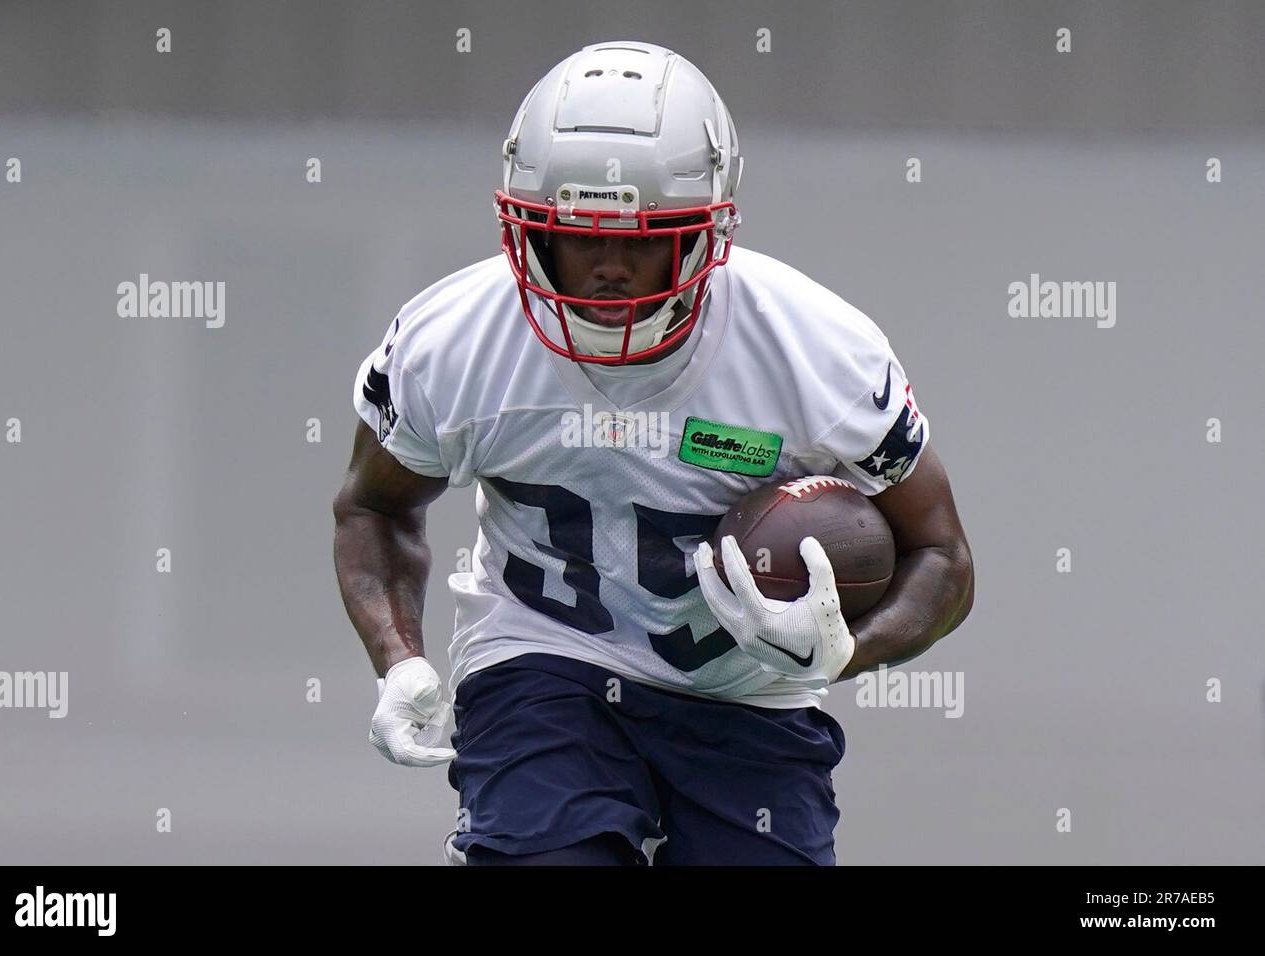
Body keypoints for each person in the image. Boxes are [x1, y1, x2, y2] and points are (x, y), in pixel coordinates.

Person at [333, 40, 974, 865]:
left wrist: (851, 648)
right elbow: (374, 505)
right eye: (578, 235)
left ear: (712, 234)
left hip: (747, 691)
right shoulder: (450, 342)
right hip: (546, 657)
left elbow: (943, 556)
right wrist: (399, 660)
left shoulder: (816, 349)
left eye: (644, 239)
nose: (607, 268)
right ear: (526, 229)